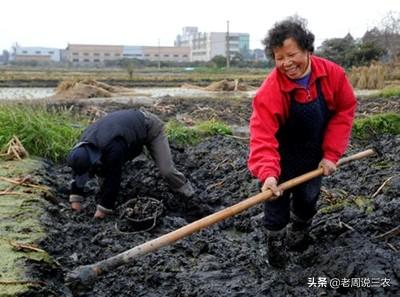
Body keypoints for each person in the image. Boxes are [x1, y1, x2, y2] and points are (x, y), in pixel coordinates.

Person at [248, 18, 356, 267]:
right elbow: (262, 134)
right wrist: (268, 174)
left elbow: (344, 110)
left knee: (308, 199)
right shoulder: (271, 90)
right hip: (281, 158)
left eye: (291, 54)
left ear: (307, 49)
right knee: (275, 205)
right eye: (278, 57)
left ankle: (299, 233)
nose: (286, 63)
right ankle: (275, 249)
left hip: (314, 156)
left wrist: (331, 153)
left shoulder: (332, 75)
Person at [67, 109, 195, 219]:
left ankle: (189, 194)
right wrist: (76, 200)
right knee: (103, 171)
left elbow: (114, 178)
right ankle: (106, 197)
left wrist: (103, 210)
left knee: (167, 171)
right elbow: (78, 170)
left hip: (149, 126)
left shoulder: (113, 149)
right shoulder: (82, 148)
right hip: (126, 132)